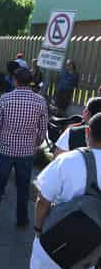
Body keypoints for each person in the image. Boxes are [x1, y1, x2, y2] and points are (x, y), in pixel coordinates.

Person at [30, 112, 101, 269]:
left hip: (52, 243)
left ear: (87, 132)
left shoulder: (69, 159)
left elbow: (43, 200)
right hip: (88, 252)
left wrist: (38, 229)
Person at [0, 68, 48, 227]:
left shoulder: (5, 99)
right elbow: (43, 127)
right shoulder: (40, 101)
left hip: (5, 149)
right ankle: (22, 219)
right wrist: (36, 144)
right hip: (26, 152)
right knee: (24, 187)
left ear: (14, 80)